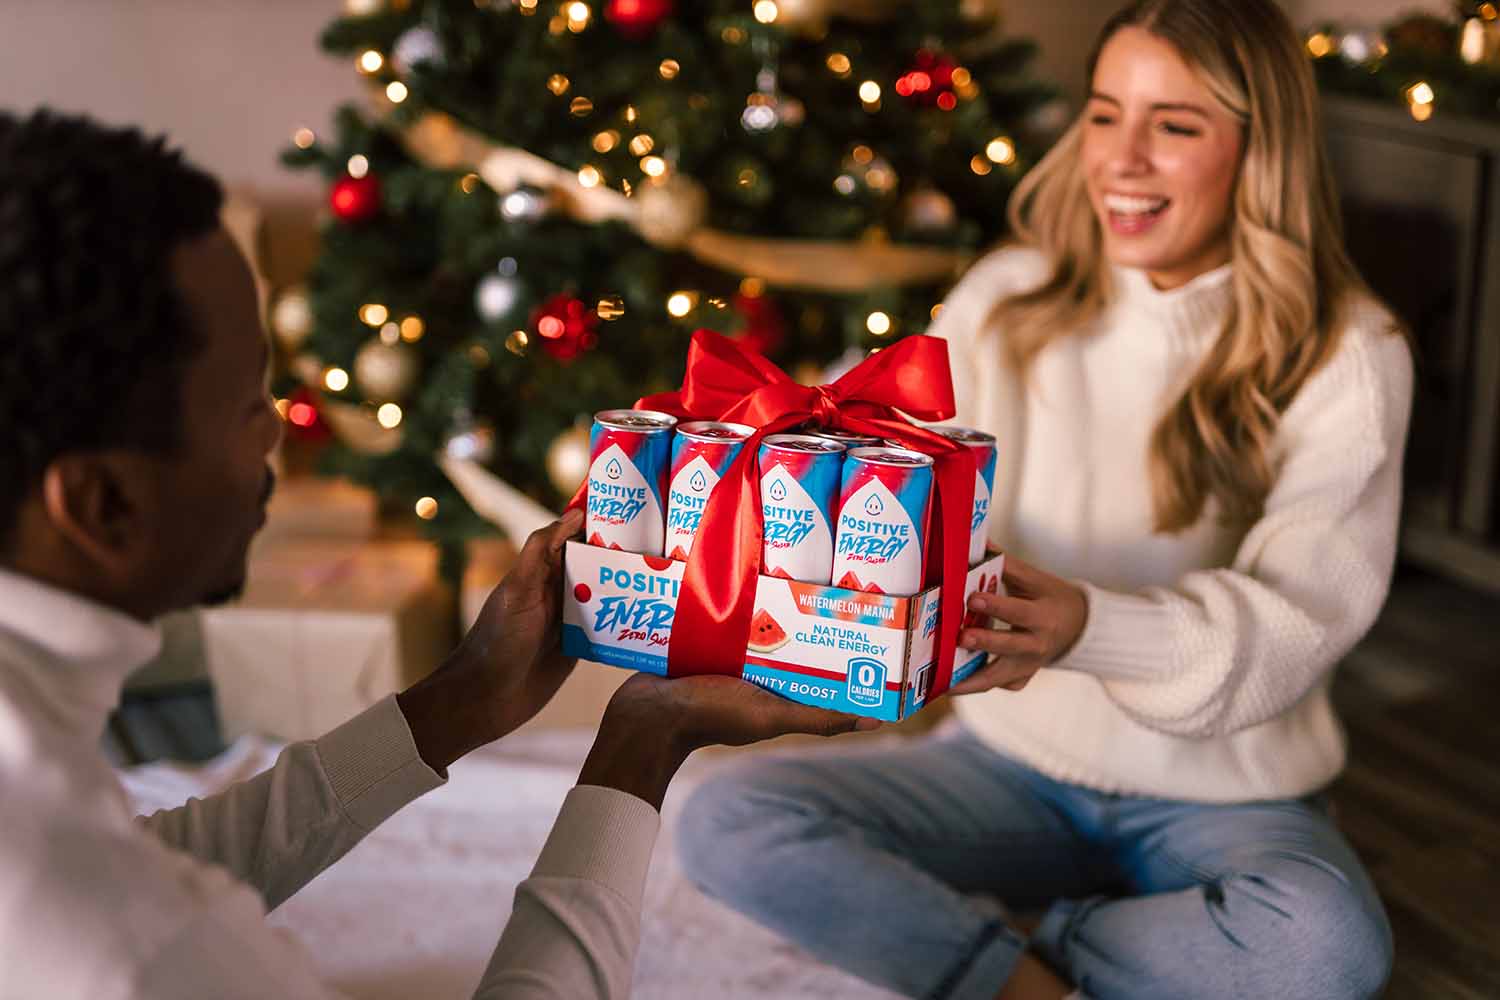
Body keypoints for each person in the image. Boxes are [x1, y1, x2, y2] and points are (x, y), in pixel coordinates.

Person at [0, 109, 875, 999]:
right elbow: (142, 913)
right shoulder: (133, 950)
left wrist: (460, 699)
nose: (276, 430)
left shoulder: (66, 820)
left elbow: (154, 860)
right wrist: (643, 744)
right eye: (246, 407)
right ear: (104, 504)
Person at [676, 1, 1412, 998]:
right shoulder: (1008, 296)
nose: (1122, 158)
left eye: (1175, 124)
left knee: (1324, 947)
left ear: (1261, 150)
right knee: (726, 816)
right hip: (1008, 770)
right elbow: (892, 467)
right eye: (1105, 114)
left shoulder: (1350, 352)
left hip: (1226, 800)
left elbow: (1295, 624)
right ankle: (1029, 979)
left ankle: (1028, 946)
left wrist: (1090, 628)